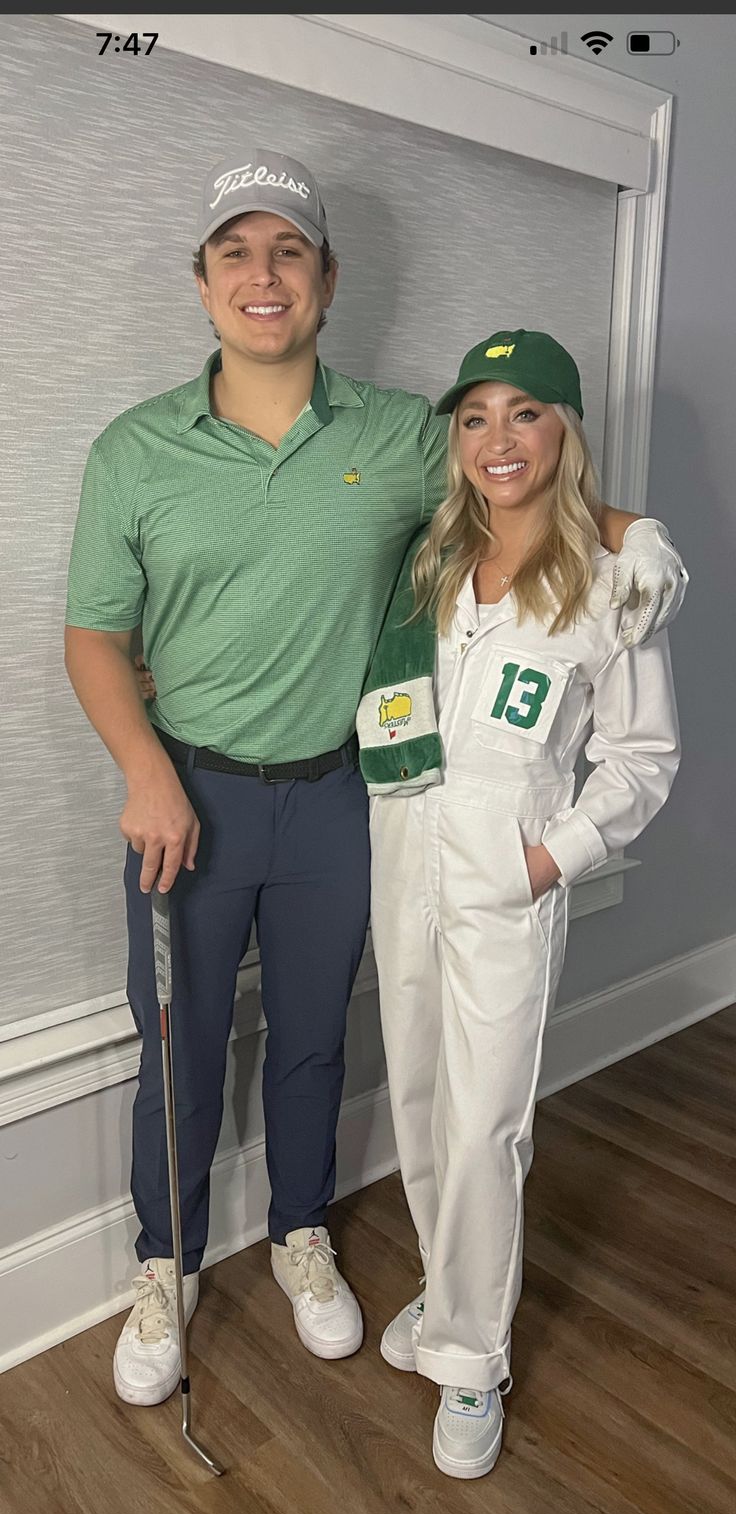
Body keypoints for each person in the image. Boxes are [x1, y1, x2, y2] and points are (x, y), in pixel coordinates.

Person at [64, 146, 686, 1410]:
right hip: (186, 794)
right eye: (236, 250)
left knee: (307, 1039)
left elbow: (532, 481)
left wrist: (639, 534)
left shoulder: (407, 434)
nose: (263, 273)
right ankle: (164, 1262)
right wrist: (143, 771)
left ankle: (299, 1232)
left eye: (288, 250)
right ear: (202, 283)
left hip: (345, 800)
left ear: (327, 280)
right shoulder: (134, 448)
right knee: (178, 1042)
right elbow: (92, 634)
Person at [358, 328, 681, 1479]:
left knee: (487, 1120)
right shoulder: (429, 558)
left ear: (565, 430)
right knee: (422, 1096)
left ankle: (474, 1360)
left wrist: (551, 858)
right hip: (405, 856)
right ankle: (450, 1298)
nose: (499, 439)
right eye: (477, 416)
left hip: (506, 874)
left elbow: (643, 756)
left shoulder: (611, 581)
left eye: (525, 413)